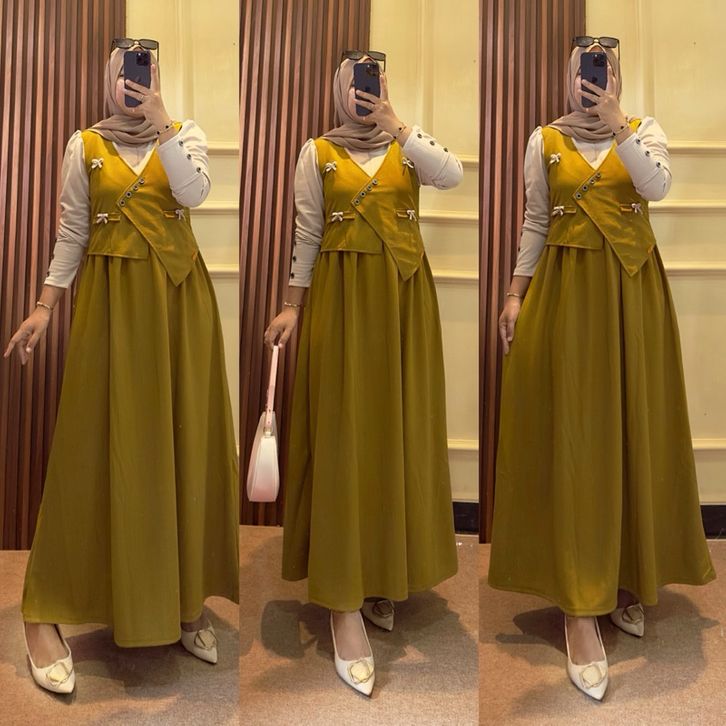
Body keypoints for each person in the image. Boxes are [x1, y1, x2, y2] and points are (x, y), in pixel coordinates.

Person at [4, 40, 239, 694]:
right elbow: (72, 231)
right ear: (108, 78)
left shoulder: (185, 133)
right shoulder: (84, 145)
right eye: (124, 71)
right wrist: (45, 307)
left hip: (179, 308)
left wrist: (163, 122)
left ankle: (184, 599)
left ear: (157, 77)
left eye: (145, 71)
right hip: (109, 311)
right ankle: (43, 612)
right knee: (92, 452)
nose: (133, 82)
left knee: (183, 450)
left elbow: (194, 193)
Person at [487, 37, 715, 700]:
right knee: (577, 442)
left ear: (616, 78)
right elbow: (535, 220)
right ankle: (578, 605)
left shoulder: (643, 129)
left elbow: (657, 187)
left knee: (630, 433)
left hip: (632, 295)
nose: (591, 81)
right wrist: (515, 294)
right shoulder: (544, 140)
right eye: (583, 70)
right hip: (565, 297)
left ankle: (624, 576)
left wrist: (619, 125)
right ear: (569, 77)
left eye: (603, 71)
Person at [264, 51, 462, 695]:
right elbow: (307, 233)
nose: (364, 94)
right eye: (355, 84)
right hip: (342, 306)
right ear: (338, 89)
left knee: (392, 440)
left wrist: (399, 125)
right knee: (346, 440)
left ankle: (379, 573)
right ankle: (343, 601)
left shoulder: (408, 145)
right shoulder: (316, 152)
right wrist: (292, 306)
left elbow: (453, 175)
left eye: (372, 82)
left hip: (404, 307)